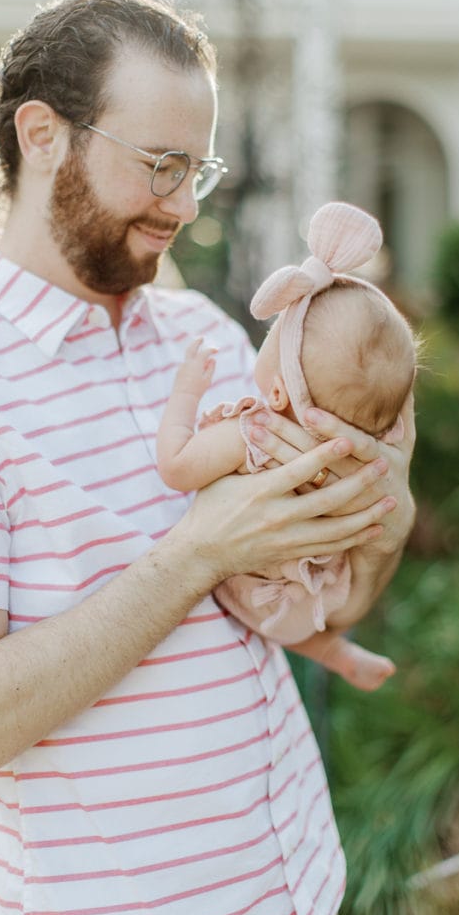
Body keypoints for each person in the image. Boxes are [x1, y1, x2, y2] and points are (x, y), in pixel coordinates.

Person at [0, 0, 415, 915]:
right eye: (159, 166)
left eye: (195, 169)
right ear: (41, 136)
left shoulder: (201, 330)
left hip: (303, 885)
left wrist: (381, 517)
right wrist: (196, 552)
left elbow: (331, 590)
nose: (181, 207)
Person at [157, 201, 416, 692]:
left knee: (251, 605)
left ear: (277, 392)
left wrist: (187, 391)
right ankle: (335, 651)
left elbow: (176, 467)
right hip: (323, 587)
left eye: (273, 334)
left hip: (260, 594)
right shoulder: (358, 454)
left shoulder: (254, 434)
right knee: (292, 611)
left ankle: (334, 651)